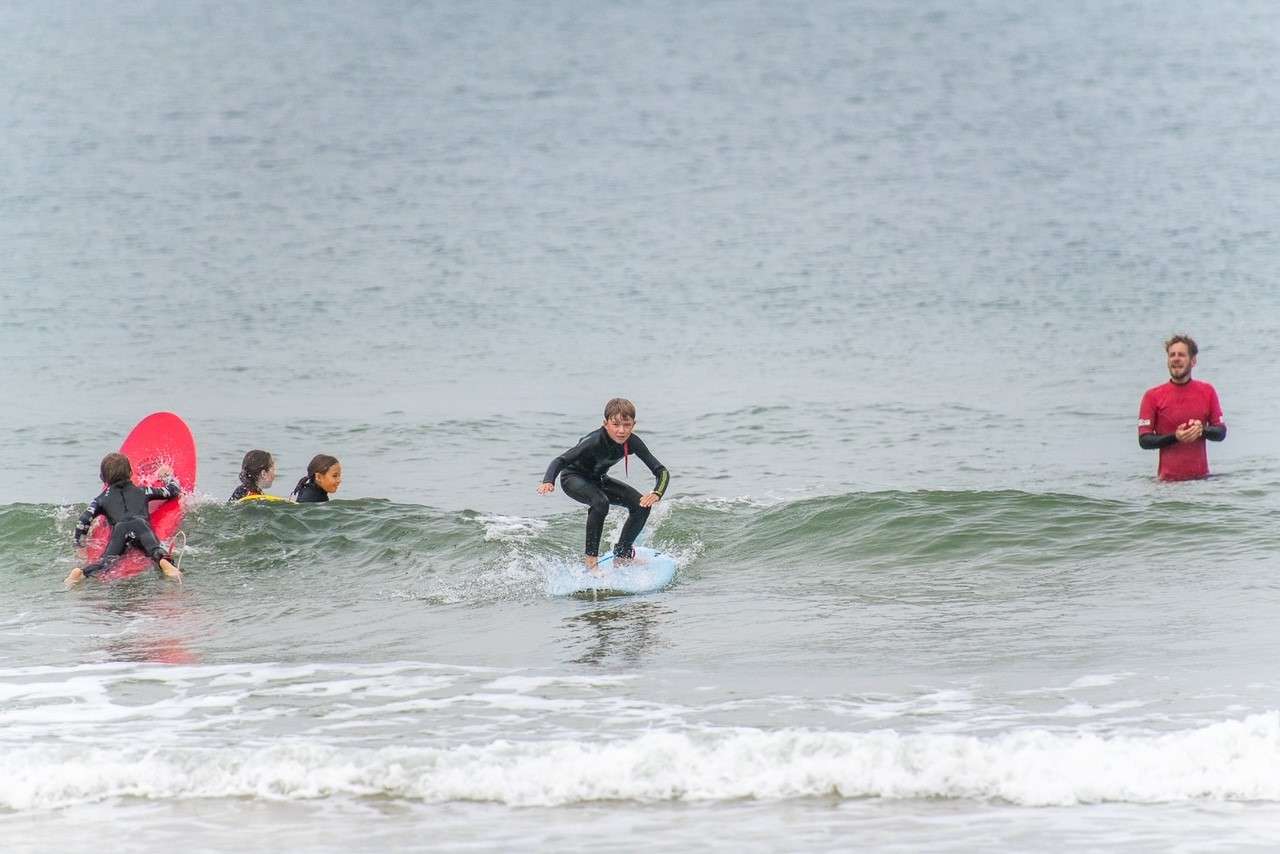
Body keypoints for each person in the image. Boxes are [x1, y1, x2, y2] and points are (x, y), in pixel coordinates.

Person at [539, 398, 670, 571]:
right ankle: (591, 563)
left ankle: (622, 555)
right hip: (573, 478)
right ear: (605, 424)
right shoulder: (593, 440)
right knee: (600, 502)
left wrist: (656, 493)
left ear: (633, 424)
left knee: (641, 505)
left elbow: (662, 471)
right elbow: (561, 460)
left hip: (599, 479)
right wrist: (549, 480)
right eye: (615, 425)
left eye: (627, 425)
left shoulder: (633, 442)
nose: (621, 431)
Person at [65, 453, 183, 586]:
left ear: (102, 478)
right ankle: (165, 564)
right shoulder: (143, 491)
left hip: (119, 530)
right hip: (141, 525)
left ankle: (81, 573)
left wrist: (79, 545)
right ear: (131, 473)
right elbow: (173, 491)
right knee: (154, 550)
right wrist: (167, 477)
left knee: (106, 561)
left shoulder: (101, 500)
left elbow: (84, 520)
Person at [1138, 334, 1227, 481]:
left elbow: (1221, 432)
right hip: (1167, 485)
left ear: (1193, 361)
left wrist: (1201, 431)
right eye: (1172, 355)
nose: (1176, 358)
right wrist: (1176, 437)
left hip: (1202, 482)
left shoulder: (1207, 391)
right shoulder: (1152, 396)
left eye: (1181, 355)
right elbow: (1144, 440)